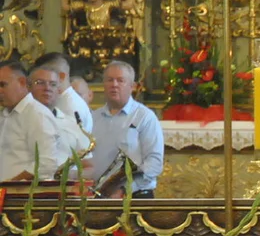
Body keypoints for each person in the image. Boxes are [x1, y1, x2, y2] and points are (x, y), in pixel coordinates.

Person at [91, 60, 163, 198]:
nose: (114, 85)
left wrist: (126, 189)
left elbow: (154, 162)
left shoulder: (145, 117)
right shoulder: (94, 118)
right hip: (99, 196)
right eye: (109, 80)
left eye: (120, 80)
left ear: (132, 86)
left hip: (135, 196)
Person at [0, 59, 61, 181]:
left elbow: (45, 163)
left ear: (22, 82)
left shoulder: (37, 114)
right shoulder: (4, 114)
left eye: (2, 85)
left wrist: (11, 184)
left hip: (24, 196)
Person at [28, 64, 91, 169]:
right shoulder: (14, 120)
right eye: (40, 83)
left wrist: (68, 177)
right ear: (28, 87)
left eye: (53, 84)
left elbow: (89, 167)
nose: (47, 88)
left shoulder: (73, 125)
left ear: (59, 90)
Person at [33, 52, 93, 133]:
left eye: (46, 76)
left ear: (61, 76)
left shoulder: (71, 107)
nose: (44, 85)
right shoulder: (61, 100)